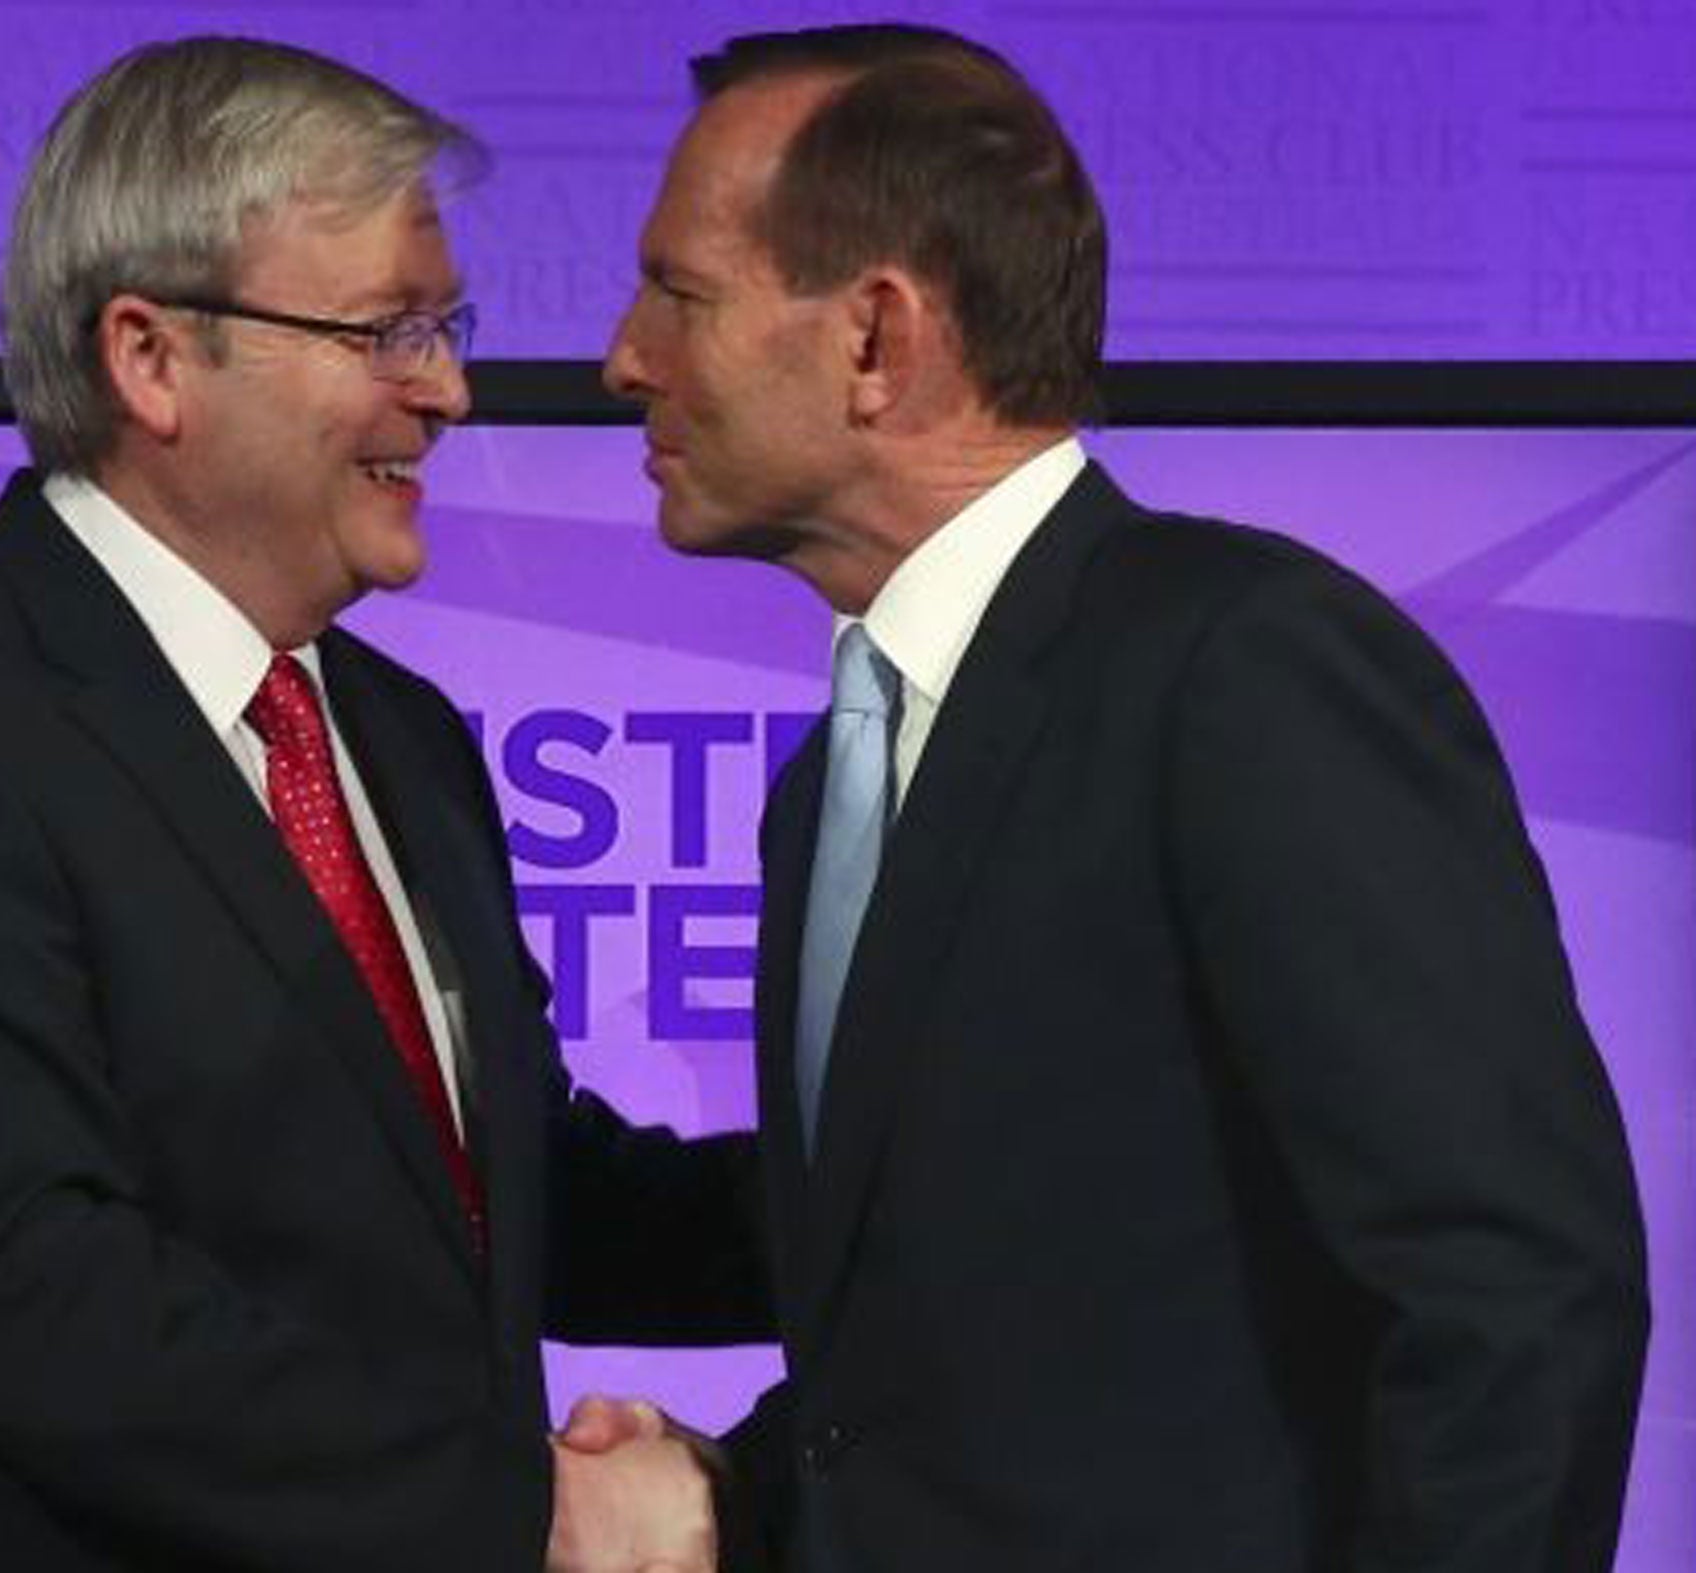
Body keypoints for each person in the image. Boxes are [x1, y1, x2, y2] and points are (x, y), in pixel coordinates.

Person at [587, 23, 1650, 1572]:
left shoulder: (1243, 669)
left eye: (680, 294)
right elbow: (994, 1312)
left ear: (878, 338)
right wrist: (733, 1492)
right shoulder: (835, 778)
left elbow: (1514, 1292)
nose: (625, 354)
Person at [0, 36, 763, 1573]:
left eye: (446, 325)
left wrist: (892, 1205)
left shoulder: (395, 735)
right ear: (150, 358)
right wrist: (533, 1508)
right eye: (386, 330)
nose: (450, 390)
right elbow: (23, 1287)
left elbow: (510, 1193)